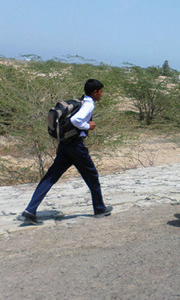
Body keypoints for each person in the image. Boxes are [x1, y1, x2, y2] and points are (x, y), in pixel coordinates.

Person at [17, 79, 113, 225]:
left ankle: (30, 211)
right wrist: (88, 126)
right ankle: (99, 208)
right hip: (76, 146)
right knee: (92, 175)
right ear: (95, 92)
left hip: (65, 145)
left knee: (51, 176)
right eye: (101, 92)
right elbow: (76, 120)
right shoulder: (89, 104)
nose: (102, 94)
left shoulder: (80, 101)